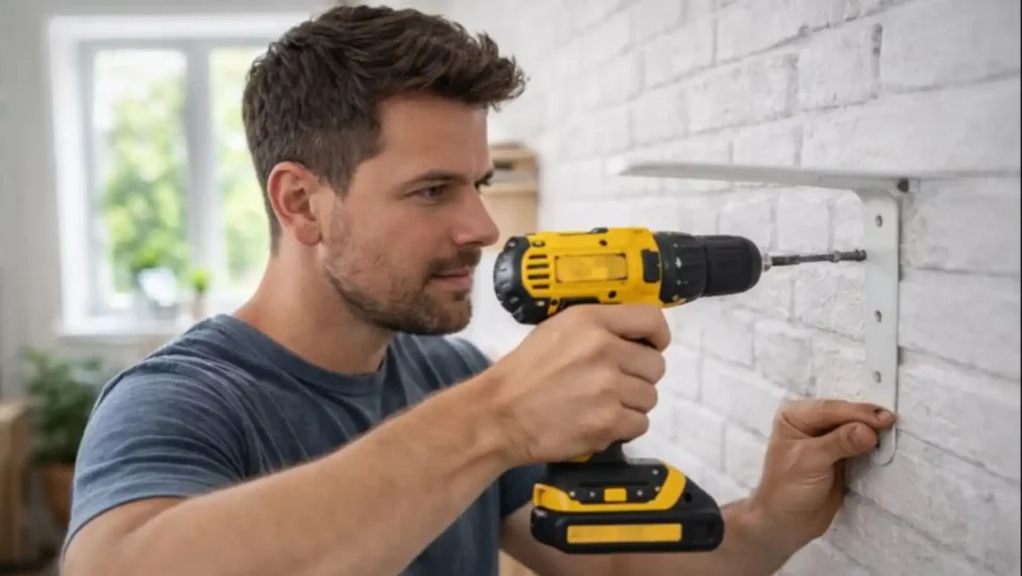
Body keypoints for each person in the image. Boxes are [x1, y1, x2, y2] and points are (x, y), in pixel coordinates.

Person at [61, 4, 896, 576]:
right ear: (300, 202)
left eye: (479, 182)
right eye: (433, 191)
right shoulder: (180, 401)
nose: (483, 227)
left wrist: (769, 520)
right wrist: (494, 418)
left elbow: (616, 565)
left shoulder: (446, 373)